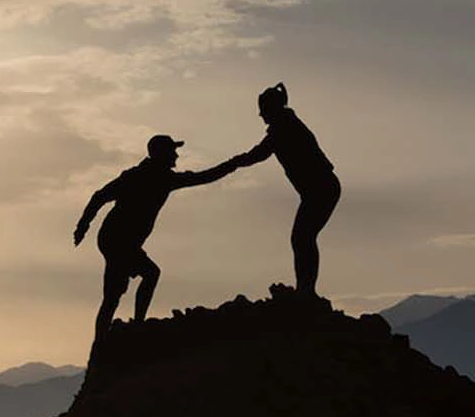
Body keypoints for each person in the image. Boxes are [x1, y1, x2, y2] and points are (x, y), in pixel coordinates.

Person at [75, 135, 239, 339]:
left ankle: (118, 333)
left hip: (117, 239)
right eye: (172, 151)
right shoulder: (140, 177)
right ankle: (131, 328)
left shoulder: (161, 178)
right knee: (142, 278)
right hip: (116, 239)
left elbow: (202, 177)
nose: (176, 155)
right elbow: (99, 196)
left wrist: (232, 165)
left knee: (118, 292)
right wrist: (83, 225)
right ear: (161, 154)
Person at [228, 83, 339, 298]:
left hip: (322, 189)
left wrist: (233, 163)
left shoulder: (284, 127)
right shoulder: (286, 124)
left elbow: (259, 154)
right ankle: (306, 289)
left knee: (302, 237)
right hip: (319, 190)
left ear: (272, 109)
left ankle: (306, 290)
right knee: (303, 237)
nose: (261, 116)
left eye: (264, 111)